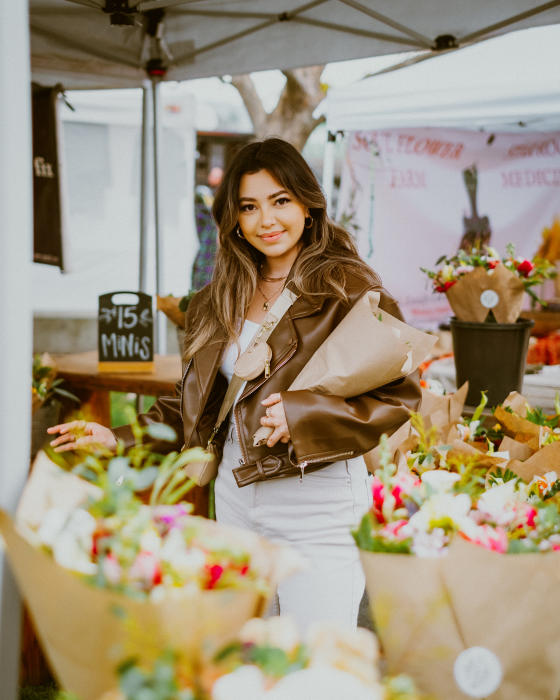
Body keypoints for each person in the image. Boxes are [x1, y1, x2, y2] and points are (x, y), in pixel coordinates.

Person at [48, 138, 420, 631]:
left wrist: (303, 415)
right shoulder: (214, 300)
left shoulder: (348, 290)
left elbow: (400, 396)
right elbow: (198, 403)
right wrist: (119, 438)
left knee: (315, 658)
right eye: (250, 206)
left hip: (319, 502)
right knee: (246, 656)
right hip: (236, 500)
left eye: (281, 200)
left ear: (308, 206)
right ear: (235, 219)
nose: (267, 219)